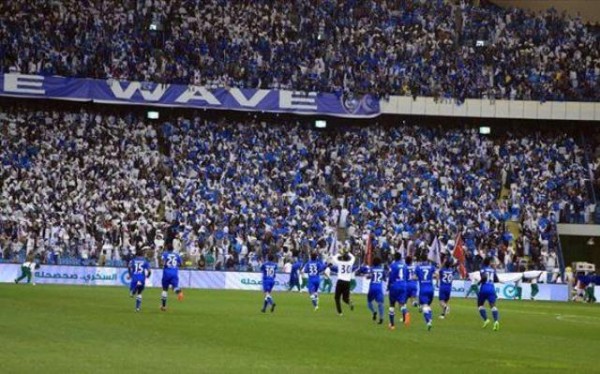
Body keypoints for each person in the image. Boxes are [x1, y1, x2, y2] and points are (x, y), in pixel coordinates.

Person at [387, 252, 410, 330]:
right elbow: (407, 276)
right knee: (402, 304)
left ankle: (392, 325)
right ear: (400, 258)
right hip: (403, 285)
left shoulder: (393, 265)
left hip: (394, 286)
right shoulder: (405, 265)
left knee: (392, 305)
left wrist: (388, 286)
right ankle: (406, 312)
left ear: (394, 257)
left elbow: (391, 277)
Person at [478, 257, 500, 331]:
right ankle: (496, 321)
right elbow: (496, 280)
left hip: (484, 288)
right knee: (493, 306)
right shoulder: (493, 270)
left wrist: (479, 282)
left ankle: (486, 319)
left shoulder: (482, 268)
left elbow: (484, 277)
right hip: (491, 288)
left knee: (480, 305)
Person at [331, 251, 356, 316]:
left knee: (337, 298)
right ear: (348, 258)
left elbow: (334, 258)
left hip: (340, 281)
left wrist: (339, 253)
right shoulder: (350, 263)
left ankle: (340, 313)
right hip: (347, 282)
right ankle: (349, 302)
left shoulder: (340, 263)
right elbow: (353, 257)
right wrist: (348, 252)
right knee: (345, 299)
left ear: (342, 258)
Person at [363, 257, 386, 324]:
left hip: (372, 288)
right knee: (380, 303)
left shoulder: (372, 269)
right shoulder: (382, 270)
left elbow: (368, 277)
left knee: (369, 302)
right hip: (379, 288)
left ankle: (374, 312)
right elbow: (384, 278)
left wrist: (367, 276)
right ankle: (381, 318)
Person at [160, 246, 184, 311]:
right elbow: (181, 264)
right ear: (173, 249)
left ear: (167, 248)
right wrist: (175, 265)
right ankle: (179, 292)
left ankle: (163, 306)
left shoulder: (165, 254)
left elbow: (162, 262)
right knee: (175, 287)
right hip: (174, 273)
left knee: (165, 290)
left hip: (166, 273)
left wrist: (165, 264)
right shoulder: (176, 255)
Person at [416, 257, 436, 331]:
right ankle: (430, 319)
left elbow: (414, 277)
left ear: (421, 260)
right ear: (427, 260)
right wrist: (437, 282)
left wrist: (415, 278)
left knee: (424, 306)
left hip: (423, 289)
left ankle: (428, 321)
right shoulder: (431, 267)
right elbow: (436, 274)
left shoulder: (418, 267)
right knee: (428, 305)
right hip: (431, 289)